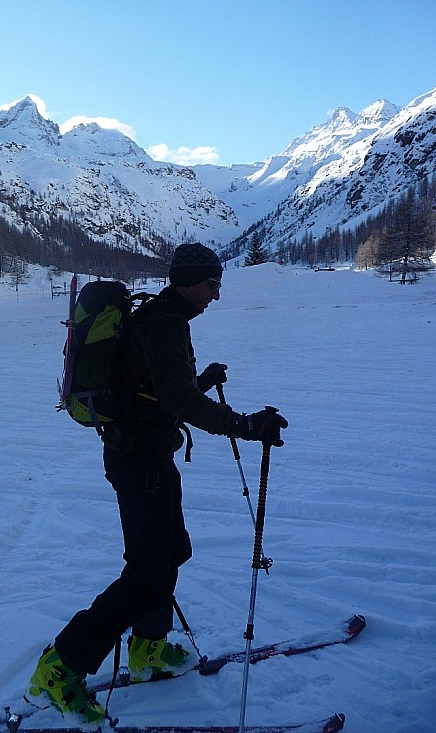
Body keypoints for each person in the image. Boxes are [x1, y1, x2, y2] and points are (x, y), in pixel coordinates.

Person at [24, 243, 288, 724]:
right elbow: (178, 402)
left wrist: (200, 381)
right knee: (145, 575)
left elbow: (160, 392)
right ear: (188, 282)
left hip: (148, 453)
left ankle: (147, 651)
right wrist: (246, 426)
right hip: (137, 459)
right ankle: (59, 669)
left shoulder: (163, 316)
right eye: (212, 284)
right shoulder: (164, 322)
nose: (215, 294)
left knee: (170, 553)